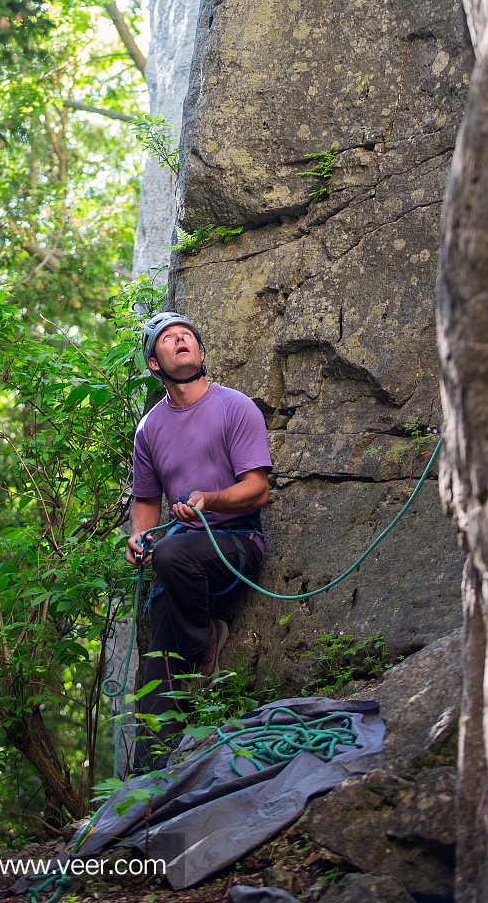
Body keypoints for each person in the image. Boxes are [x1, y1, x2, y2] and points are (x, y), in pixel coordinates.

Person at [126, 311, 272, 767]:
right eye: (169, 338)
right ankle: (148, 781)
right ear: (155, 363)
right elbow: (145, 499)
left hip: (238, 539)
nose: (181, 340)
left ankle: (206, 638)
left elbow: (258, 488)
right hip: (177, 553)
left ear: (202, 353)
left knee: (171, 554)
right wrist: (137, 538)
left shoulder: (235, 406)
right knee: (158, 675)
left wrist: (209, 499)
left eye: (188, 335)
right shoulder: (149, 429)